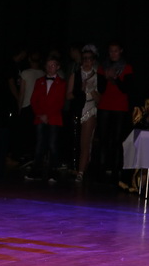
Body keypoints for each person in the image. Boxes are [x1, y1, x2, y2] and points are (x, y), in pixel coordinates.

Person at [96, 41, 133, 182]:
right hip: (105, 106)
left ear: (121, 51)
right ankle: (101, 169)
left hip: (120, 107)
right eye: (111, 51)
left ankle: (116, 171)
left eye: (115, 50)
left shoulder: (127, 67)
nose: (113, 53)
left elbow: (126, 89)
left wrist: (114, 78)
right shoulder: (102, 67)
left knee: (118, 141)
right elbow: (101, 89)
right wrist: (106, 77)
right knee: (103, 139)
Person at [27, 54, 67, 183]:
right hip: (40, 117)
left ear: (58, 67)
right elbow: (34, 100)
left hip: (54, 118)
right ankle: (36, 171)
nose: (50, 68)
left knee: (52, 145)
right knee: (39, 145)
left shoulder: (62, 83)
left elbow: (60, 103)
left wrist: (47, 115)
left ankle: (53, 172)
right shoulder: (39, 81)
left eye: (53, 65)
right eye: (48, 65)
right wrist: (40, 114)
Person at [67, 44, 99, 183]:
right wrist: (80, 90)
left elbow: (100, 99)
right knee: (76, 142)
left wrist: (91, 90)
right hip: (77, 110)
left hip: (90, 108)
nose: (86, 61)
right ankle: (77, 167)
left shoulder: (97, 76)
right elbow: (68, 95)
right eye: (84, 58)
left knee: (86, 142)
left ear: (93, 60)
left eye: (89, 58)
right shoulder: (75, 75)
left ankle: (81, 172)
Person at [18, 50, 46, 164]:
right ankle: (34, 156)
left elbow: (22, 92)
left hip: (27, 105)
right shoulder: (43, 73)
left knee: (26, 133)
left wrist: (19, 107)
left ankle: (26, 157)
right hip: (38, 107)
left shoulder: (25, 73)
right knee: (35, 134)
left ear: (29, 60)